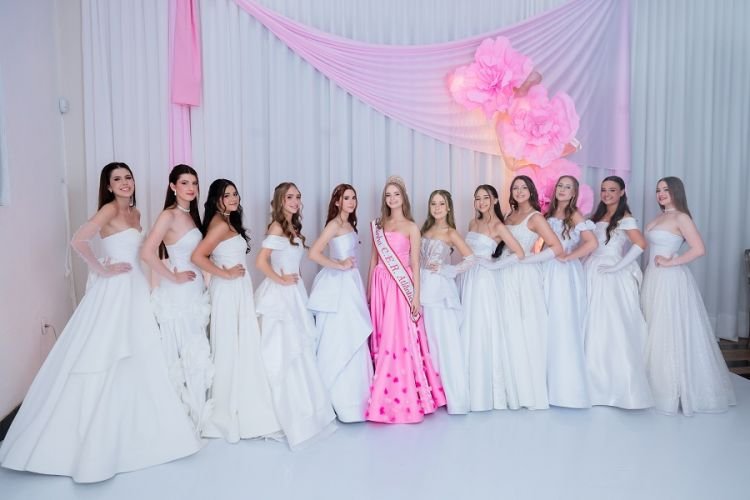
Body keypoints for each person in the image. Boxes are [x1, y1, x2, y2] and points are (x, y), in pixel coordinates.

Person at [0, 162, 201, 483]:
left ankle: (139, 425)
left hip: (136, 287)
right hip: (115, 290)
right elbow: (79, 240)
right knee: (107, 352)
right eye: (117, 179)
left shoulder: (136, 213)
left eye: (128, 177)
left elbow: (144, 253)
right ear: (108, 186)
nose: (124, 183)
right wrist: (102, 268)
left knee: (141, 350)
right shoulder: (109, 210)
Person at [192, 179, 280, 442]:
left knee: (240, 343)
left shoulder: (228, 221)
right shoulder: (219, 225)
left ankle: (243, 398)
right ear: (216, 199)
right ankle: (226, 408)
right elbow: (197, 256)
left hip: (238, 289)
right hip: (227, 291)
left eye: (235, 194)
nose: (233, 198)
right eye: (226, 195)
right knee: (229, 344)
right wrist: (225, 274)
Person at [641, 176, 735, 415]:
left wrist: (672, 262)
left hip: (670, 279)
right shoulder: (660, 216)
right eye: (658, 190)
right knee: (653, 325)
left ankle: (673, 392)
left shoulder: (681, 217)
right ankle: (653, 386)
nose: (661, 193)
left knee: (667, 329)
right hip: (653, 276)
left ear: (676, 192)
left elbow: (699, 249)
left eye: (666, 189)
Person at [255, 182, 336, 447]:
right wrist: (280, 280)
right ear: (280, 200)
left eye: (298, 197)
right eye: (289, 197)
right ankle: (282, 414)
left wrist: (297, 282)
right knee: (283, 351)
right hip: (281, 295)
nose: (295, 201)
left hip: (295, 292)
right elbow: (261, 261)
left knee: (300, 348)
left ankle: (306, 408)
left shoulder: (293, 227)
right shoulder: (277, 227)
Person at [366, 176, 446, 423]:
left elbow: (415, 264)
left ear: (403, 198)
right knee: (381, 334)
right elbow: (373, 259)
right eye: (388, 195)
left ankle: (400, 394)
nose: (392, 199)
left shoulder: (411, 227)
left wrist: (416, 297)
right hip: (380, 283)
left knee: (398, 337)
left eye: (396, 194)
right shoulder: (378, 225)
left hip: (400, 288)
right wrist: (369, 291)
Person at [141, 164, 213, 430]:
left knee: (196, 346)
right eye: (184, 183)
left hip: (195, 291)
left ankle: (198, 409)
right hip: (179, 292)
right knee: (184, 348)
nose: (191, 188)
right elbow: (147, 253)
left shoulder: (191, 216)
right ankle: (182, 414)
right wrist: (173, 277)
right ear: (173, 186)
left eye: (194, 182)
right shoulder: (168, 215)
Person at [494, 175, 563, 410]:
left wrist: (529, 260)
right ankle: (505, 387)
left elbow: (557, 248)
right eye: (515, 188)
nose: (519, 191)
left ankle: (524, 390)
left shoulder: (536, 217)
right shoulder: (509, 215)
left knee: (521, 326)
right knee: (504, 326)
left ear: (531, 191)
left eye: (524, 187)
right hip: (503, 271)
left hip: (522, 276)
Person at [584, 175, 653, 409]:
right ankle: (590, 379)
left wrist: (617, 267)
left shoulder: (625, 217)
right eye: (604, 190)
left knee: (610, 322)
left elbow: (641, 244)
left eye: (612, 190)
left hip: (610, 270)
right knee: (589, 320)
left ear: (622, 192)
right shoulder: (597, 216)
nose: (607, 194)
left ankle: (615, 384)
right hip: (591, 268)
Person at [308, 184, 373, 423]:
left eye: (353, 197)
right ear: (337, 202)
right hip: (339, 284)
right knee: (339, 335)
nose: (351, 201)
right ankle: (336, 399)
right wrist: (338, 264)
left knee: (353, 332)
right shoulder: (334, 224)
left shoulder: (350, 224)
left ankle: (358, 399)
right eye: (346, 198)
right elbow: (314, 253)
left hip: (352, 282)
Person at [459, 184, 524, 412]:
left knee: (481, 327)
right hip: (467, 277)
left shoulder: (498, 226)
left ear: (495, 200)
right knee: (466, 324)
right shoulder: (472, 223)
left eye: (485, 198)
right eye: (477, 198)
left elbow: (519, 253)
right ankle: (464, 387)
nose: (481, 202)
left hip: (484, 280)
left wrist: (493, 265)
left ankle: (485, 391)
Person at [543, 175, 598, 408]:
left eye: (568, 187)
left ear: (574, 193)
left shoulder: (574, 215)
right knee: (545, 319)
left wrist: (569, 256)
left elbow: (592, 243)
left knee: (562, 321)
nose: (563, 190)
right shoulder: (548, 213)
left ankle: (565, 386)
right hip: (545, 268)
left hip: (564, 273)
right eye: (560, 186)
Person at [419, 189, 474, 414]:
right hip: (422, 285)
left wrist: (446, 269)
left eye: (441, 203)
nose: (437, 207)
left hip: (440, 291)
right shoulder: (424, 230)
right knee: (427, 341)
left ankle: (456, 397)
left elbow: (470, 258)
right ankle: (434, 394)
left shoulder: (451, 233)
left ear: (448, 207)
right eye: (433, 203)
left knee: (444, 340)